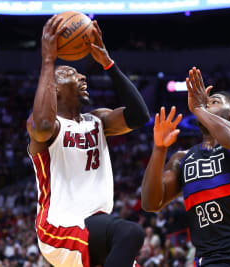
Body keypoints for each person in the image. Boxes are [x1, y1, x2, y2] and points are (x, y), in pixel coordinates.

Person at [26, 15, 149, 267]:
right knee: (131, 233)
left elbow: (139, 116)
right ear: (54, 87)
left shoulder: (97, 120)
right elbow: (42, 125)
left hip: (97, 228)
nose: (82, 77)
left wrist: (108, 63)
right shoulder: (50, 130)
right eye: (72, 73)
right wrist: (49, 61)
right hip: (59, 227)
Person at [141, 67, 230, 266]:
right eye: (205, 103)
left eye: (214, 101)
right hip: (211, 259)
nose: (206, 103)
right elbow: (151, 202)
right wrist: (159, 149)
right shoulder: (182, 158)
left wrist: (199, 109)